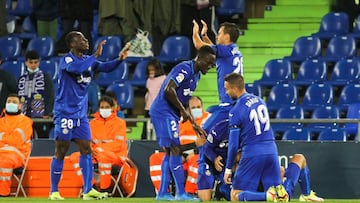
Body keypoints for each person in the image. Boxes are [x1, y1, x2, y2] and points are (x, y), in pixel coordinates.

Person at [49, 31, 129, 200]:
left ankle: (88, 191)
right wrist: (95, 55)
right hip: (65, 113)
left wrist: (119, 59)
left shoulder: (88, 61)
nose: (85, 41)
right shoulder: (67, 60)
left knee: (87, 149)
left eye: (86, 39)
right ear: (72, 44)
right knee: (61, 151)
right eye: (81, 39)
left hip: (80, 115)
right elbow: (77, 69)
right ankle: (54, 191)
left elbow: (105, 67)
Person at [149, 45, 216, 201]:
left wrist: (192, 122)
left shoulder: (197, 75)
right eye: (209, 63)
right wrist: (183, 111)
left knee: (169, 151)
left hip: (171, 113)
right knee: (176, 149)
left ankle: (162, 194)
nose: (211, 66)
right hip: (163, 111)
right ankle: (180, 193)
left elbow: (183, 99)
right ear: (201, 59)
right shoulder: (184, 68)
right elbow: (168, 90)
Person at [223, 73, 288, 202]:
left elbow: (234, 145)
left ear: (235, 88)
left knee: (235, 195)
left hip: (253, 151)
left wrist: (228, 169)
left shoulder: (236, 110)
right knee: (276, 194)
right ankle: (272, 195)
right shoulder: (260, 101)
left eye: (227, 89)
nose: (226, 92)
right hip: (271, 150)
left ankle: (268, 196)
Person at [192, 20, 243, 134]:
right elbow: (212, 49)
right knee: (210, 112)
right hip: (234, 103)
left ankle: (199, 152)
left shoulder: (225, 50)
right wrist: (204, 35)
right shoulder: (231, 51)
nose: (217, 36)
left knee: (203, 131)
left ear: (227, 36)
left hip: (228, 104)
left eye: (219, 33)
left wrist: (195, 32)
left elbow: (200, 47)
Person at [70, 96, 128, 192]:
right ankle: (91, 187)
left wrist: (99, 149)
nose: (104, 109)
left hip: (116, 156)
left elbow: (118, 144)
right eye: (102, 107)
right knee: (75, 157)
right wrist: (90, 150)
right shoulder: (92, 124)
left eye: (107, 107)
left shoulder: (120, 123)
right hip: (95, 155)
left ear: (112, 108)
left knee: (103, 156)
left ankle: (105, 189)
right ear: (98, 109)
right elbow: (88, 142)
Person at [0, 93, 33, 196]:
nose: (11, 103)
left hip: (19, 155)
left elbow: (16, 141)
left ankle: (3, 194)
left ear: (20, 106)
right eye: (9, 101)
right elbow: (12, 139)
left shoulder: (26, 122)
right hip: (2, 153)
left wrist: (3, 137)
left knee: (4, 161)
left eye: (14, 102)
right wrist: (8, 138)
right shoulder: (1, 121)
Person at [197, 119, 231, 201]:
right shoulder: (219, 128)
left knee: (231, 194)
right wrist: (214, 158)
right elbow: (207, 148)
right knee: (206, 198)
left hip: (226, 164)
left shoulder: (246, 130)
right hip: (209, 160)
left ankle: (220, 189)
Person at [17, 50, 54, 118]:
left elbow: (50, 96)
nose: (33, 65)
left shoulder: (45, 77)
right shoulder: (21, 79)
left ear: (39, 62)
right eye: (30, 62)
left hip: (40, 113)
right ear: (26, 63)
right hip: (23, 113)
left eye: (35, 62)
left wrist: (48, 112)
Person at [142, 59, 166, 140]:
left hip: (159, 109)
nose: (151, 72)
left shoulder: (164, 79)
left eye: (153, 70)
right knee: (145, 131)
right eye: (149, 70)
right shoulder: (148, 80)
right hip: (148, 108)